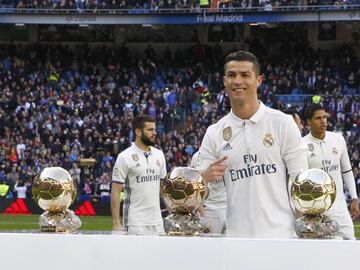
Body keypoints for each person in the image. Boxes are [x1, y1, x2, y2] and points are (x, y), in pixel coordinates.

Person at [197, 51, 308, 238]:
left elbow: (301, 184)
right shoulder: (214, 132)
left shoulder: (282, 123)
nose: (237, 81)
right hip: (236, 238)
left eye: (245, 75)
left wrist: (305, 231)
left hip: (281, 236)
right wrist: (203, 178)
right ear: (224, 81)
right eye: (231, 75)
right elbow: (199, 193)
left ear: (259, 80)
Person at [303, 103, 360, 240]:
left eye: (325, 117)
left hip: (339, 205)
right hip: (316, 209)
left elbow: (346, 170)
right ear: (308, 122)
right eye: (318, 118)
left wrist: (354, 198)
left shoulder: (338, 139)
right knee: (321, 250)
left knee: (349, 241)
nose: (323, 121)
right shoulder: (302, 145)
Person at [111, 114, 167, 235]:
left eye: (155, 129)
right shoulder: (124, 157)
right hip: (134, 222)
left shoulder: (159, 155)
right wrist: (116, 223)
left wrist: (173, 212)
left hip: (157, 222)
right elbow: (115, 191)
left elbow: (164, 188)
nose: (154, 133)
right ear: (138, 132)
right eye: (150, 130)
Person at [191, 151, 226, 234]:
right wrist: (204, 217)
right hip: (210, 211)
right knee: (211, 246)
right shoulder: (198, 157)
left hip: (230, 211)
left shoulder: (229, 153)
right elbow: (194, 189)